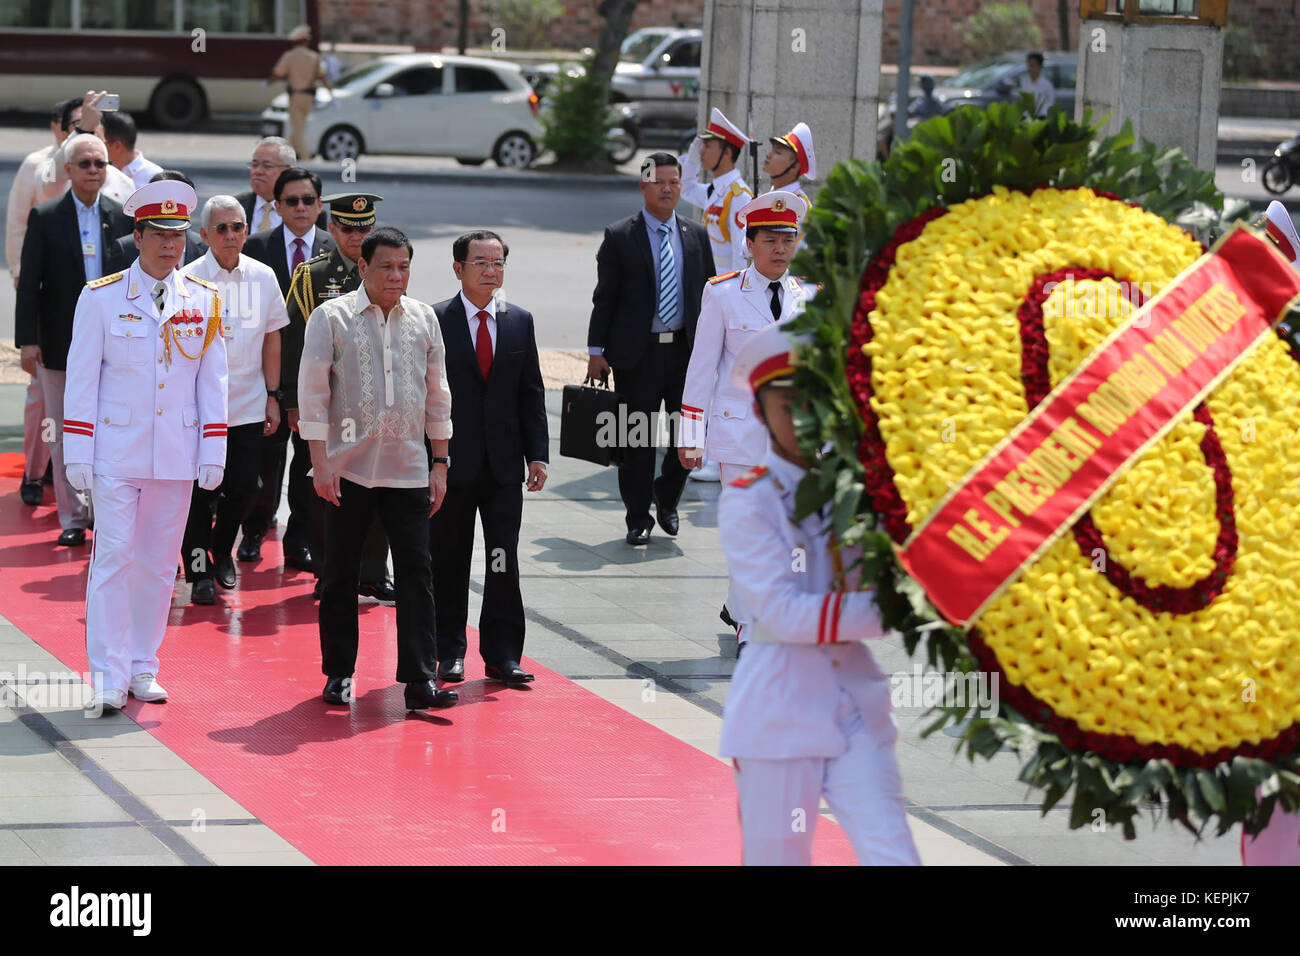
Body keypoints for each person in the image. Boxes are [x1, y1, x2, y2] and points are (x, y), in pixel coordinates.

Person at [718, 322, 920, 866]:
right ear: (761, 413)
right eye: (787, 406)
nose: (802, 420)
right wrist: (892, 608)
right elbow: (783, 614)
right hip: (778, 713)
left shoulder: (858, 485)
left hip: (855, 704)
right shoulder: (749, 500)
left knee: (894, 855)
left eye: (813, 404)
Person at [62, 180, 228, 712]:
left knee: (159, 564)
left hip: (175, 453)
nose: (170, 246)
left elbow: (212, 382)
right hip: (115, 450)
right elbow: (81, 379)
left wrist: (213, 449)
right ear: (137, 236)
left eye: (178, 236)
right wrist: (77, 452)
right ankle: (107, 674)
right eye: (158, 235)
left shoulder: (203, 300)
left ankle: (142, 664)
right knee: (113, 557)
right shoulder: (101, 297)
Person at [298, 226, 457, 712]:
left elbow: (438, 393)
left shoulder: (425, 318)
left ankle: (419, 679)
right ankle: (339, 673)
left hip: (409, 467)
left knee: (417, 572)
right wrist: (320, 464)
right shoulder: (331, 317)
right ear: (362, 267)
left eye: (404, 266)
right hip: (347, 470)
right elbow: (312, 393)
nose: (396, 275)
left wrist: (441, 461)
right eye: (385, 266)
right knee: (340, 574)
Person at [679, 191, 814, 637]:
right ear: (750, 244)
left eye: (787, 239)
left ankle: (745, 609)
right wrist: (691, 434)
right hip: (739, 438)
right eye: (770, 240)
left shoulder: (809, 296)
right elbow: (700, 368)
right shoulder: (722, 294)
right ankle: (750, 628)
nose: (780, 249)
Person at [430, 230, 548, 687]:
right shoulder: (435, 319)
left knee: (502, 559)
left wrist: (538, 455)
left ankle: (502, 655)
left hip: (503, 467)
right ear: (458, 268)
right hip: (452, 464)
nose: (490, 270)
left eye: (497, 262)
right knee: (450, 559)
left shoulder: (519, 321)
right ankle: (448, 652)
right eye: (480, 262)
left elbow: (531, 391)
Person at [587, 153, 716, 545]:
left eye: (674, 181)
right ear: (643, 185)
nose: (667, 188)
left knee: (688, 434)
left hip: (684, 354)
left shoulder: (696, 235)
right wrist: (597, 351)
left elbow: (709, 296)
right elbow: (605, 298)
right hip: (636, 356)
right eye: (658, 181)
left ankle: (668, 493)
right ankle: (638, 517)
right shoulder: (620, 236)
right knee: (636, 440)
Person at [15, 133, 133, 547]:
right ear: (68, 170)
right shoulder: (46, 216)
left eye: (100, 164)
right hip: (58, 340)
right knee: (64, 430)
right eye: (84, 164)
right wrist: (27, 340)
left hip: (116, 341)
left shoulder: (122, 217)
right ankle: (72, 515)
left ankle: (105, 513)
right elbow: (30, 282)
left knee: (110, 426)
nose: (93, 171)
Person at [282, 191, 393, 602]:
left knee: (378, 483)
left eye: (365, 227)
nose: (356, 235)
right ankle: (328, 568)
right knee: (321, 486)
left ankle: (373, 572)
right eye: (348, 228)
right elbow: (295, 339)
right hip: (327, 402)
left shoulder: (384, 268)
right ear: (331, 229)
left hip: (375, 402)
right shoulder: (312, 275)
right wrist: (293, 401)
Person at [179, 196, 289, 605]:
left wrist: (274, 396)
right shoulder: (186, 279)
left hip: (248, 403)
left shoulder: (262, 277)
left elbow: (273, 336)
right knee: (196, 494)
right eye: (221, 228)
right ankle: (198, 571)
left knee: (244, 486)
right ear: (204, 234)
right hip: (196, 408)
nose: (231, 235)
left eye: (238, 226)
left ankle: (221, 550)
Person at [240, 167, 334, 568]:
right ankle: (254, 531)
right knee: (265, 460)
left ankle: (301, 539)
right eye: (291, 201)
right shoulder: (256, 246)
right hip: (268, 375)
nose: (300, 208)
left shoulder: (336, 247)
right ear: (276, 206)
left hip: (319, 380)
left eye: (308, 200)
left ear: (319, 205)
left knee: (309, 466)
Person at [6, 97, 71, 507]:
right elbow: (17, 224)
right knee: (42, 397)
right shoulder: (41, 165)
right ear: (56, 126)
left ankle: (75, 476)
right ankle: (36, 471)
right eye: (76, 124)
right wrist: (20, 280)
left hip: (101, 305)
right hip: (50, 300)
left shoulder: (106, 168)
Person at [679, 106, 754, 275]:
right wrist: (692, 158)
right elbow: (685, 187)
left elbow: (741, 255)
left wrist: (734, 294)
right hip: (710, 280)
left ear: (726, 153)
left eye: (707, 146)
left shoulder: (738, 196)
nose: (701, 151)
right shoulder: (715, 191)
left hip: (725, 284)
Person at [35, 92, 137, 205]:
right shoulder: (59, 172)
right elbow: (47, 188)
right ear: (66, 134)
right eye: (78, 123)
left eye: (96, 120)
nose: (91, 126)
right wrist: (82, 130)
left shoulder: (124, 183)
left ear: (104, 132)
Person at [105, 170, 207, 272]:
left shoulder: (204, 249)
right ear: (138, 238)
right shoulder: (125, 249)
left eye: (177, 235)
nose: (169, 244)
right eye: (159, 234)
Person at [235, 137, 326, 234]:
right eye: (254, 165)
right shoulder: (236, 207)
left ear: (288, 170)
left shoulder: (308, 212)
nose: (258, 171)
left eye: (267, 166)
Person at [271, 24, 331, 161]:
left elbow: (278, 73)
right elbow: (321, 76)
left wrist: (268, 83)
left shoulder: (290, 56)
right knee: (299, 127)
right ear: (305, 40)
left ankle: (305, 158)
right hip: (309, 97)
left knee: (298, 129)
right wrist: (330, 91)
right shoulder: (314, 57)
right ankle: (284, 156)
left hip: (296, 96)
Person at [761, 123, 816, 246]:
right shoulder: (769, 197)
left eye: (778, 152)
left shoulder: (798, 203)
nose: (768, 155)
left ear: (794, 167)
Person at [101, 111, 163, 188]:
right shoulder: (102, 172)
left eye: (100, 140)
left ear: (117, 146)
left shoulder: (156, 178)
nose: (96, 144)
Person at [1019, 52, 1054, 118]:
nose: (1029, 69)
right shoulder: (1024, 82)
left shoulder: (1047, 85)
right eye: (1028, 65)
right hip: (1026, 118)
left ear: (1040, 67)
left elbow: (1049, 104)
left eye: (1032, 65)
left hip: (1041, 118)